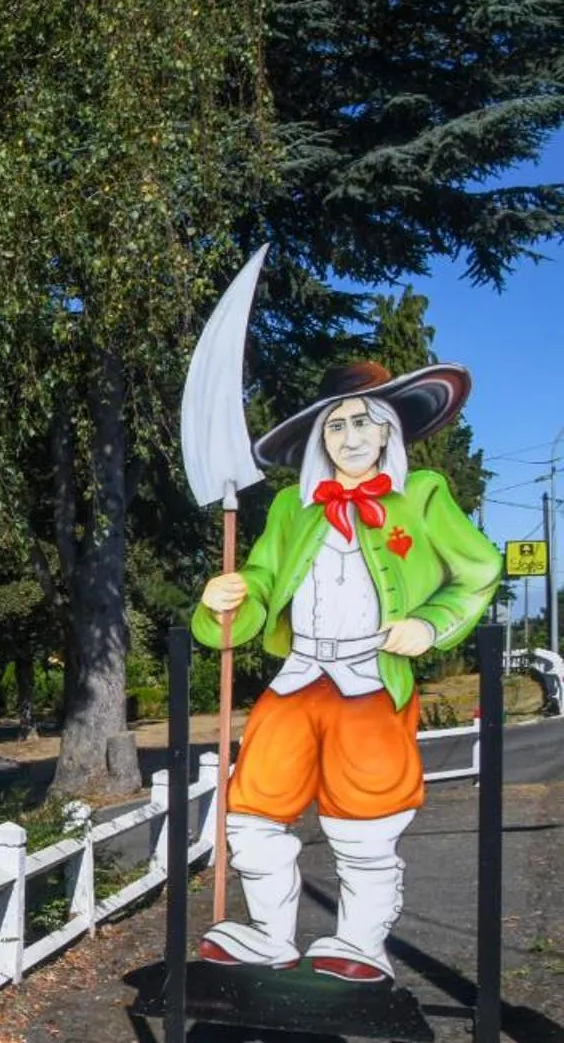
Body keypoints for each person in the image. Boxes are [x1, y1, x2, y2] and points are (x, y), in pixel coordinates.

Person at [193, 360, 501, 982]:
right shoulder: (292, 507)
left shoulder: (423, 495)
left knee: (365, 820)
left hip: (370, 681)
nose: (351, 436)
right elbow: (262, 579)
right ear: (320, 438)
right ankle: (270, 934)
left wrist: (431, 624)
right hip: (298, 677)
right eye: (336, 425)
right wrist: (230, 597)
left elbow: (480, 570)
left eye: (364, 422)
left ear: (387, 429)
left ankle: (360, 942)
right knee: (251, 808)